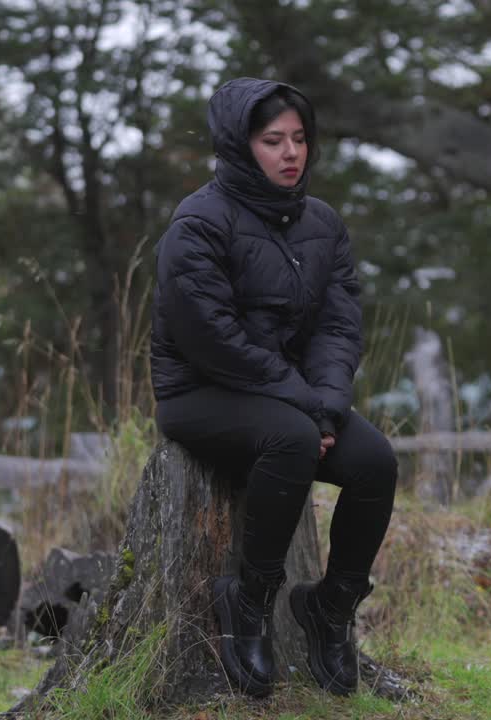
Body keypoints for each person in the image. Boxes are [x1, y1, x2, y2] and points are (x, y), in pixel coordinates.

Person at [151, 77, 398, 698]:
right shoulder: (197, 224)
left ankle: (330, 606)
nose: (291, 153)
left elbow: (338, 325)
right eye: (272, 141)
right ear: (239, 145)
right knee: (289, 438)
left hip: (293, 398)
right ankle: (249, 601)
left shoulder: (322, 223)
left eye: (299, 139)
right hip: (200, 392)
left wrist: (329, 404)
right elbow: (211, 338)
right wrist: (306, 405)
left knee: (374, 460)